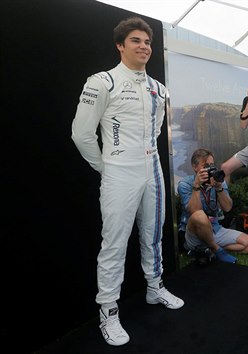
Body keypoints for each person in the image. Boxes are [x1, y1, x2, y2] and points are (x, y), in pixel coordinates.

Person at [71, 17, 183, 346]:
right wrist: (106, 167)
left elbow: (158, 132)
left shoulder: (159, 89)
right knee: (115, 243)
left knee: (153, 233)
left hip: (152, 167)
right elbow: (80, 134)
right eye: (136, 41)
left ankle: (154, 287)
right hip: (119, 170)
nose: (144, 46)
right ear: (120, 45)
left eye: (147, 41)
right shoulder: (101, 82)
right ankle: (108, 311)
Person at [177, 148, 248, 263]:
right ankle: (217, 250)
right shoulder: (185, 184)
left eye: (211, 165)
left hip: (214, 228)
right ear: (195, 167)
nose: (210, 169)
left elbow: (227, 208)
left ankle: (206, 249)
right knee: (199, 215)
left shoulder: (218, 180)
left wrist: (219, 188)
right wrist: (196, 187)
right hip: (194, 232)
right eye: (205, 166)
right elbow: (194, 211)